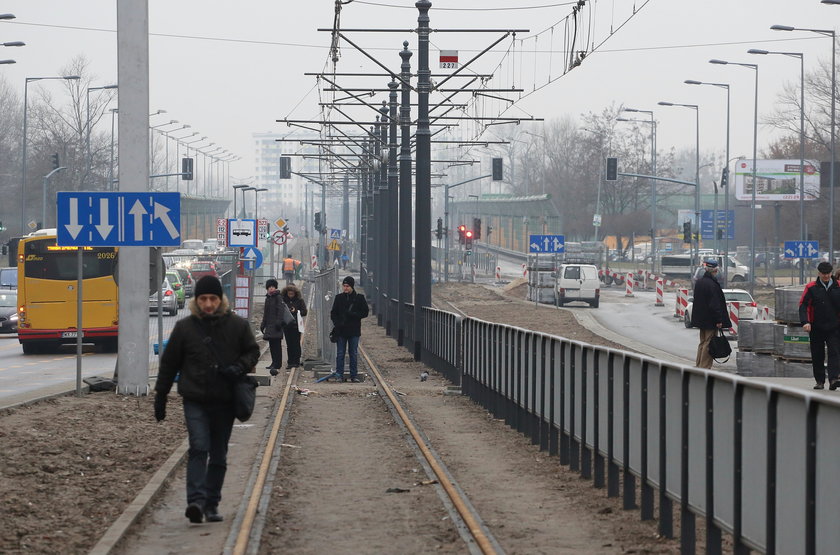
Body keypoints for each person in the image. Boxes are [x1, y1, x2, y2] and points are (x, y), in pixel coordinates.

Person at [153, 275, 259, 524]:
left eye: (212, 298)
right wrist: (161, 396)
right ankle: (196, 502)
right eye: (203, 299)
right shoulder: (185, 328)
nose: (208, 304)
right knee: (199, 447)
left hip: (224, 400)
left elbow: (252, 351)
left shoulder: (237, 326)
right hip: (195, 399)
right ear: (196, 301)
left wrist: (239, 367)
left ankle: (212, 504)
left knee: (219, 453)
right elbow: (169, 364)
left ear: (220, 299)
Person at [799, 261, 840, 390]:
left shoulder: (838, 286)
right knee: (817, 354)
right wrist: (805, 322)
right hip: (816, 327)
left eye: (828, 273)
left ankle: (834, 379)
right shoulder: (811, 287)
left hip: (834, 327)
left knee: (835, 353)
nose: (826, 276)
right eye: (823, 274)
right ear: (819, 273)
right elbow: (803, 305)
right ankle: (820, 381)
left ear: (831, 273)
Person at [690, 260, 732, 369]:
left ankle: (698, 364)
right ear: (715, 270)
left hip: (701, 319)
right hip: (710, 320)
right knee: (708, 343)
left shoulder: (700, 282)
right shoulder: (712, 285)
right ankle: (704, 367)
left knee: (702, 342)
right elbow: (715, 305)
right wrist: (719, 320)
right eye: (716, 270)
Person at [330, 275, 369, 382]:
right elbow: (333, 313)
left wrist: (353, 314)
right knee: (340, 353)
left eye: (347, 286)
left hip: (354, 330)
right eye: (344, 286)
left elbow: (365, 312)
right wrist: (337, 323)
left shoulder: (359, 298)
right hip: (341, 330)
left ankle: (353, 375)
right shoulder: (339, 298)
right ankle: (339, 374)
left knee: (353, 353)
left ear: (352, 286)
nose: (345, 288)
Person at [260, 278, 290, 376]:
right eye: (269, 287)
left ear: (275, 287)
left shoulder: (278, 297)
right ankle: (274, 362)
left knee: (277, 345)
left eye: (272, 287)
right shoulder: (268, 298)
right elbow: (266, 313)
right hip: (269, 325)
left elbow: (281, 310)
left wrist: (279, 322)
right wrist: (263, 324)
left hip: (276, 325)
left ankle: (278, 363)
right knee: (272, 345)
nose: (271, 289)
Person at [280, 283, 307, 369]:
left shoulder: (299, 300)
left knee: (296, 343)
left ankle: (296, 361)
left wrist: (296, 311)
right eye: (289, 293)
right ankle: (290, 361)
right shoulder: (283, 300)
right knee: (289, 344)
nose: (290, 295)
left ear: (295, 293)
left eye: (292, 293)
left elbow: (304, 312)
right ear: (286, 292)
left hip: (296, 325)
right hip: (287, 326)